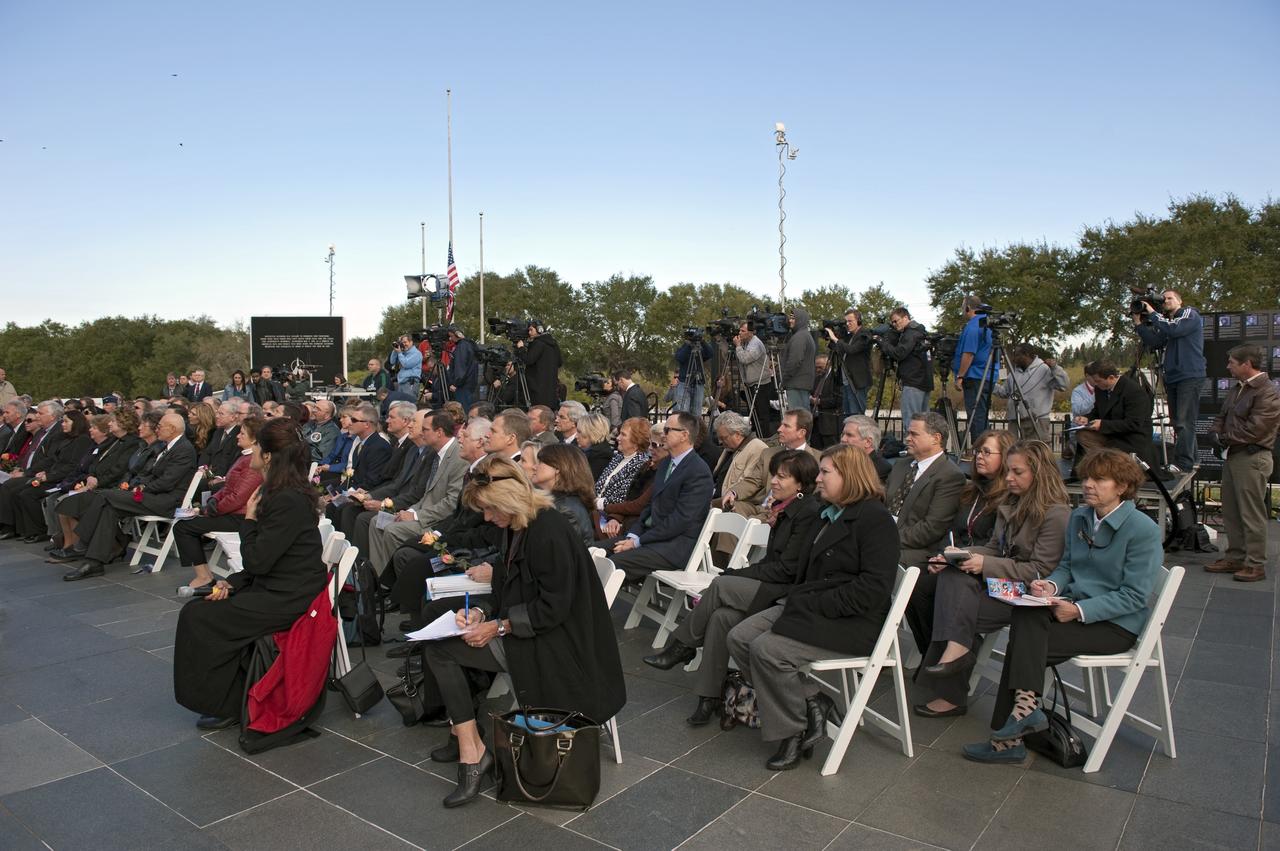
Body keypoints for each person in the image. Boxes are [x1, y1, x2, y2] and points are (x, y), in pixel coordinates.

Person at [417, 455, 625, 807]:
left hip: (553, 643)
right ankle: (468, 741)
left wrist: (496, 626)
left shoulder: (549, 531)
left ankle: (471, 751)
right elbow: (508, 581)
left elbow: (553, 608)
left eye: (488, 509)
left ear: (508, 500)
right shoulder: (520, 525)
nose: (486, 517)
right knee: (441, 636)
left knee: (441, 650)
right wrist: (481, 611)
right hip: (533, 630)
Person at [962, 449, 1161, 764]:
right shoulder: (1080, 516)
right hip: (1070, 606)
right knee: (1026, 615)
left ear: (1122, 486)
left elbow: (1134, 596)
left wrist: (1079, 611)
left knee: (1025, 645)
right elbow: (1067, 566)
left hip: (1114, 625)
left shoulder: (1143, 530)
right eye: (1086, 478)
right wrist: (1050, 586)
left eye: (1100, 479)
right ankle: (1024, 714)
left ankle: (1009, 736)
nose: (1089, 485)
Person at [726, 445, 899, 770]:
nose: (817, 479)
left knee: (767, 650)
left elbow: (872, 590)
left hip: (850, 620)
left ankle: (792, 730)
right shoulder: (827, 512)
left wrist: (809, 603)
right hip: (810, 605)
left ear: (849, 477)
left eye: (825, 472)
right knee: (739, 637)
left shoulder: (875, 520)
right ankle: (812, 701)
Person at [173, 417, 327, 731]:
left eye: (256, 445)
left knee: (199, 618)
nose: (251, 449)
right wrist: (232, 581)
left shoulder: (285, 499)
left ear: (268, 455)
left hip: (289, 597)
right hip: (279, 585)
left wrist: (250, 520)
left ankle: (226, 702)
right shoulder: (281, 491)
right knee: (203, 610)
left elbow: (259, 560)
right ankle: (230, 695)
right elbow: (267, 562)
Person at [645, 450, 821, 725]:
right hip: (772, 583)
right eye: (774, 474)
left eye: (782, 477)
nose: (773, 481)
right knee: (720, 618)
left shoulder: (806, 512)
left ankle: (681, 646)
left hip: (784, 593)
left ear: (801, 484)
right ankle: (709, 697)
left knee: (721, 584)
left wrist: (741, 573)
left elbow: (788, 568)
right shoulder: (784, 508)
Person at [914, 441, 1070, 718]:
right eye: (1008, 471)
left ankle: (952, 675)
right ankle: (956, 653)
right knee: (953, 576)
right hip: (1002, 586)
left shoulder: (1056, 513)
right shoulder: (1011, 502)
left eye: (1017, 472)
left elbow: (1039, 570)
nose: (1008, 477)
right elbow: (995, 549)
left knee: (958, 608)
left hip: (1028, 595)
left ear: (1039, 473)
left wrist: (984, 563)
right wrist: (959, 555)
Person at [62, 411, 198, 580]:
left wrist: (141, 488)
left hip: (165, 501)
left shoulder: (183, 449)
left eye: (160, 426)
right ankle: (94, 562)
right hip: (152, 495)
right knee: (108, 508)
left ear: (172, 429)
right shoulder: (166, 446)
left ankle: (83, 540)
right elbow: (150, 473)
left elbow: (167, 482)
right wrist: (137, 485)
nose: (157, 429)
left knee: (105, 495)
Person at [605, 411, 714, 580]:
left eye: (668, 430)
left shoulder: (698, 472)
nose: (663, 435)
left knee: (613, 564)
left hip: (673, 547)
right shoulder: (666, 464)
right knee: (594, 551)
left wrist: (637, 542)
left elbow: (680, 520)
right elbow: (651, 506)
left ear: (684, 435)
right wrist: (634, 535)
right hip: (650, 538)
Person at [1205, 344, 1280, 582]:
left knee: (1251, 513)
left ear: (1247, 364)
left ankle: (1255, 563)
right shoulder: (1239, 389)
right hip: (1235, 455)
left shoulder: (1267, 391)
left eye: (1232, 363)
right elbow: (1222, 416)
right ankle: (1235, 556)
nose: (1228, 367)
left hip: (1252, 457)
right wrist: (1215, 433)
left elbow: (1256, 429)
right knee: (1231, 510)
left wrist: (1224, 438)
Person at [366, 410, 467, 576]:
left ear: (439, 432)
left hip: (436, 520)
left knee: (392, 530)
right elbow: (427, 494)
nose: (421, 432)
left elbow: (451, 502)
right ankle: (380, 579)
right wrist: (410, 511)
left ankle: (395, 582)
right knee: (378, 522)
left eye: (425, 429)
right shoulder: (435, 453)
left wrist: (416, 515)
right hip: (422, 512)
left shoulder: (457, 457)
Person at [173, 416, 266, 588]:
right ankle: (204, 574)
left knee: (183, 527)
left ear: (254, 439)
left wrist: (209, 510)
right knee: (184, 523)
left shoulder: (253, 461)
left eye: (242, 433)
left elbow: (239, 497)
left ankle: (203, 576)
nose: (238, 436)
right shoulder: (245, 457)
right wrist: (213, 501)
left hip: (241, 517)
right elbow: (227, 487)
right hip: (232, 512)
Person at [50, 410, 156, 560]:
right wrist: (91, 476)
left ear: (122, 423)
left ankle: (79, 545)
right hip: (98, 483)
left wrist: (98, 481)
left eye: (112, 421)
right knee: (66, 504)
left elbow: (119, 469)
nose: (109, 423)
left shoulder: (131, 443)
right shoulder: (114, 441)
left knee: (70, 504)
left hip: (109, 486)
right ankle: (71, 545)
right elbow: (95, 462)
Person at [1133, 289, 1207, 472]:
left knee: (1183, 421)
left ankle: (1184, 463)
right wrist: (1138, 323)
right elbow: (1155, 341)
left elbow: (1176, 329)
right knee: (1179, 422)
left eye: (1169, 298)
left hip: (1189, 374)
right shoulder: (1167, 323)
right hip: (1173, 376)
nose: (1166, 301)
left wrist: (1152, 312)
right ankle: (1193, 459)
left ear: (1180, 301)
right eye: (1163, 298)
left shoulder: (1189, 314)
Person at [884, 412, 965, 568]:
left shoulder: (949, 475)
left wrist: (887, 538)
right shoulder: (901, 465)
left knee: (872, 557)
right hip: (883, 534)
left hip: (917, 550)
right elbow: (882, 503)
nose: (907, 438)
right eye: (908, 433)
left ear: (936, 438)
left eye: (914, 434)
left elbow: (931, 528)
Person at [7, 409, 93, 541]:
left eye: (66, 421)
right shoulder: (65, 439)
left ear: (76, 423)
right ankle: (27, 530)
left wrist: (49, 476)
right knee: (21, 491)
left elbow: (72, 466)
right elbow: (54, 459)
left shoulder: (82, 440)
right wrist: (45, 473)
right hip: (53, 475)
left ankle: (38, 530)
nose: (62, 424)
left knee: (28, 494)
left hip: (63, 480)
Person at [0, 400, 69, 540]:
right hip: (29, 470)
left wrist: (26, 473)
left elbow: (50, 458)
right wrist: (19, 467)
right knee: (10, 485)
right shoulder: (42, 432)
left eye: (40, 413)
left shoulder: (57, 432)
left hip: (42, 474)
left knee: (12, 487)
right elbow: (28, 453)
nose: (37, 416)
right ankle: (21, 528)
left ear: (52, 416)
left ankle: (17, 527)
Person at [1072, 360, 1154, 471]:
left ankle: (1109, 465)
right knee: (1083, 434)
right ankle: (1101, 465)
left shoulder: (1133, 391)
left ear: (1111, 377)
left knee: (1107, 442)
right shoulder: (1101, 389)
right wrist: (1087, 418)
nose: (1095, 384)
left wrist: (1102, 425)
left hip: (1131, 437)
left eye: (1098, 381)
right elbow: (1097, 411)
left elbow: (1134, 423)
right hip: (1111, 433)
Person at [597, 422, 666, 538]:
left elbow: (638, 505)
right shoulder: (622, 459)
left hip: (634, 526)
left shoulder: (649, 466)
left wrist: (603, 506)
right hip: (620, 517)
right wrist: (614, 517)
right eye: (650, 443)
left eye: (654, 445)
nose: (649, 448)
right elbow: (630, 497)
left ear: (636, 441)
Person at [993, 344, 1068, 441]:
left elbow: (1064, 385)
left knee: (1035, 452)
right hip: (1016, 421)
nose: (1014, 359)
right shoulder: (1014, 373)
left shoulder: (1045, 369)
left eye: (1016, 355)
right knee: (1014, 452)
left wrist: (1055, 368)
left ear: (1026, 354)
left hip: (1037, 421)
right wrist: (989, 386)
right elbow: (1004, 392)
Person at [877, 307, 932, 437]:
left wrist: (881, 342)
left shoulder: (911, 333)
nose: (895, 325)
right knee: (925, 422)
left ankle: (911, 451)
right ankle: (924, 451)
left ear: (906, 318)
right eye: (893, 323)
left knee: (911, 421)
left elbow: (899, 353)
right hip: (924, 382)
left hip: (913, 382)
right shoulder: (921, 332)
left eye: (896, 321)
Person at [531, 442, 597, 544]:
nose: (534, 467)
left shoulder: (565, 509)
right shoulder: (559, 502)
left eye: (540, 462)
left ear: (557, 468)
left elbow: (562, 554)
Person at [953, 296, 998, 443]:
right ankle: (986, 447)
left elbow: (968, 354)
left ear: (968, 308)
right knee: (981, 414)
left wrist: (960, 375)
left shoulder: (973, 326)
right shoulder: (988, 324)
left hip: (975, 376)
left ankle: (980, 448)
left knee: (975, 414)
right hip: (987, 375)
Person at [710, 411, 768, 512]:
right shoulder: (730, 448)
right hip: (715, 502)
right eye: (719, 438)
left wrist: (711, 505)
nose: (720, 442)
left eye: (723, 438)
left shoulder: (757, 449)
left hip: (729, 507)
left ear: (737, 434)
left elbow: (748, 486)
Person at [595, 417, 651, 509]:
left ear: (636, 441)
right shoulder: (618, 457)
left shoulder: (641, 464)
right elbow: (599, 486)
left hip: (611, 515)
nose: (618, 438)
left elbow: (623, 498)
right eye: (619, 433)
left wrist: (594, 503)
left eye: (623, 435)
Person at [734, 320, 779, 437]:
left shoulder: (756, 343)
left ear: (751, 332)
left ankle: (764, 439)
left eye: (742, 331)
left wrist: (738, 346)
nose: (740, 333)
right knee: (753, 415)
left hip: (761, 383)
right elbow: (733, 356)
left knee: (762, 415)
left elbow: (745, 359)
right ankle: (755, 437)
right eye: (739, 330)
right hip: (750, 383)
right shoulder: (745, 342)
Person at [824, 308, 873, 416]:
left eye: (850, 321)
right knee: (847, 413)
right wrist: (832, 339)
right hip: (846, 381)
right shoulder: (849, 336)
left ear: (859, 320)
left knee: (856, 414)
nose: (847, 324)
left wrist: (835, 339)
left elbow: (852, 350)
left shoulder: (865, 334)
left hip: (857, 381)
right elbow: (840, 350)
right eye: (846, 321)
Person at [514, 320, 562, 409]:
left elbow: (528, 360)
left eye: (531, 330)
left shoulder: (538, 343)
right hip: (550, 391)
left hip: (536, 390)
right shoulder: (553, 344)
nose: (529, 332)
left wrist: (521, 348)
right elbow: (559, 362)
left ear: (540, 330)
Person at [779, 307, 816, 414]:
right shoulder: (804, 335)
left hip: (796, 384)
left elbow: (795, 361)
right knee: (802, 417)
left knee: (798, 417)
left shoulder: (800, 337)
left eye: (793, 318)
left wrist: (784, 379)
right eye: (790, 318)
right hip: (800, 384)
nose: (790, 321)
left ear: (801, 319)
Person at [838, 415, 892, 482]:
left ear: (868, 442)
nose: (843, 439)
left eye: (849, 435)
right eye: (843, 434)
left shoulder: (879, 468)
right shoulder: (837, 461)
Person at [674, 336, 714, 416]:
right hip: (684, 382)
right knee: (683, 413)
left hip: (698, 383)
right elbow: (679, 357)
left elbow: (710, 353)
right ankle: (684, 428)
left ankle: (695, 428)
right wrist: (688, 344)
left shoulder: (700, 348)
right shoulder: (684, 347)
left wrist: (703, 341)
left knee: (696, 413)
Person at [445, 326, 479, 410]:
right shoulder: (469, 345)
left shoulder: (462, 346)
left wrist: (455, 383)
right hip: (469, 384)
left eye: (451, 336)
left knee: (463, 411)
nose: (450, 339)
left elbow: (461, 368)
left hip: (463, 386)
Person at [574, 412, 614, 481]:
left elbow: (584, 482)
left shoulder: (602, 456)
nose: (576, 436)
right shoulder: (586, 451)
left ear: (592, 433)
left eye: (579, 432)